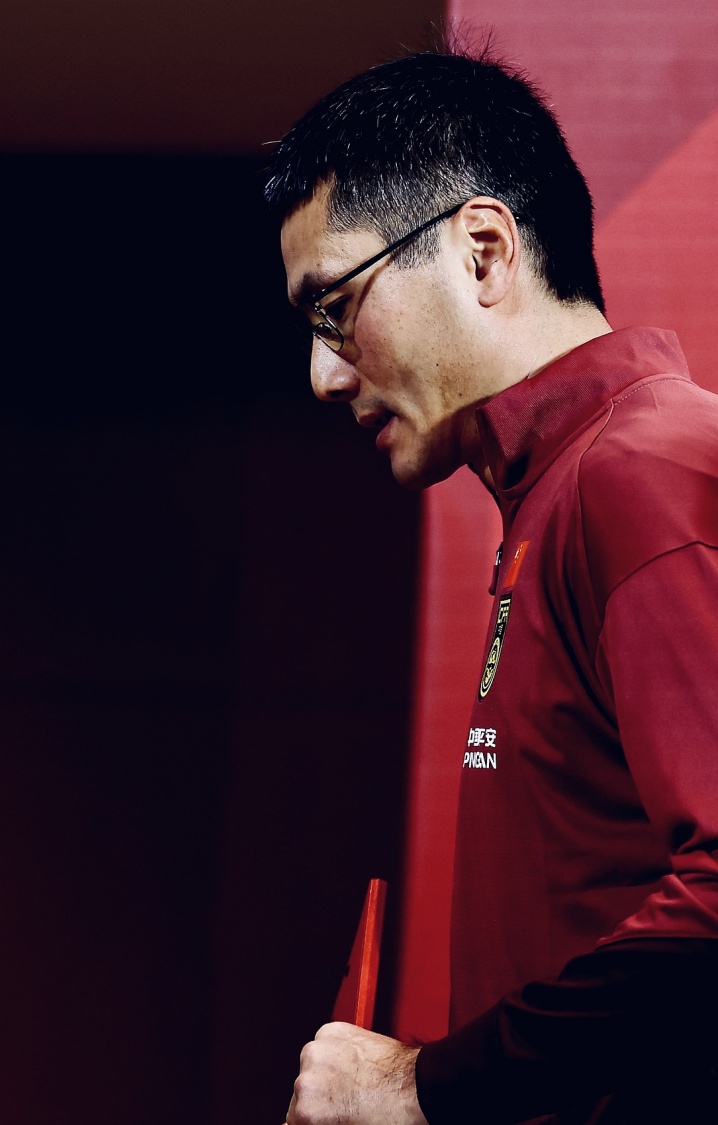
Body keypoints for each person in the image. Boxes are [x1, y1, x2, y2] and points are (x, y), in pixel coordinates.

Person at [265, 45, 718, 1125]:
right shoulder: (564, 491)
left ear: (482, 251)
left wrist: (426, 1087)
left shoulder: (642, 470)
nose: (325, 374)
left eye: (335, 307)